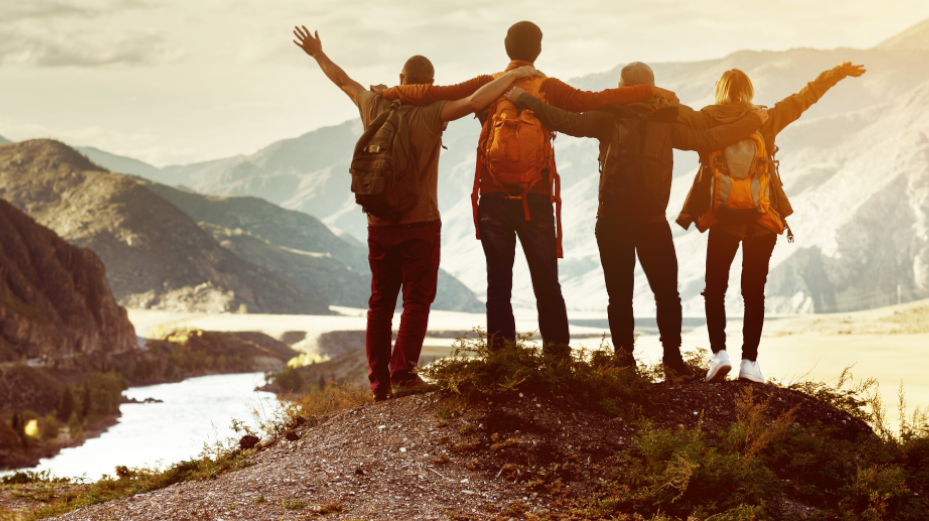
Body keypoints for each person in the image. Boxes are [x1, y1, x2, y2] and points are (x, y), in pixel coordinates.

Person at [378, 22, 677, 354]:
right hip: (536, 196)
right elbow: (599, 99)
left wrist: (392, 92)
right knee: (547, 282)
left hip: (492, 195)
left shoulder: (487, 85)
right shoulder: (549, 87)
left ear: (507, 46)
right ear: (539, 49)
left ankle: (502, 359)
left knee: (498, 286)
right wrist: (647, 91)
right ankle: (558, 357)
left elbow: (434, 93)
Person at [293, 25, 542, 399]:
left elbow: (343, 80)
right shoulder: (433, 112)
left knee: (380, 303)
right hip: (420, 224)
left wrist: (317, 53)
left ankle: (378, 383)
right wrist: (513, 76)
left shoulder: (373, 104)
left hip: (378, 224)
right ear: (430, 83)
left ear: (401, 80)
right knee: (416, 300)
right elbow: (476, 101)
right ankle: (403, 374)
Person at [505, 62, 767, 380]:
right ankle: (672, 362)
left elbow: (564, 120)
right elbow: (710, 139)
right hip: (652, 221)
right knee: (667, 294)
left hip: (612, 219)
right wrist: (753, 119)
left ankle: (624, 363)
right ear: (651, 86)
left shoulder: (608, 114)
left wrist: (525, 98)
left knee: (619, 296)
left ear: (621, 85)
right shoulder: (666, 118)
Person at [676, 62, 867, 384]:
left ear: (720, 92)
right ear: (748, 92)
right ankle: (749, 363)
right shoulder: (766, 118)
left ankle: (719, 354)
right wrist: (835, 73)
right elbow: (805, 97)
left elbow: (673, 114)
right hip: (762, 219)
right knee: (753, 292)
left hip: (722, 218)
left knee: (715, 289)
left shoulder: (706, 118)